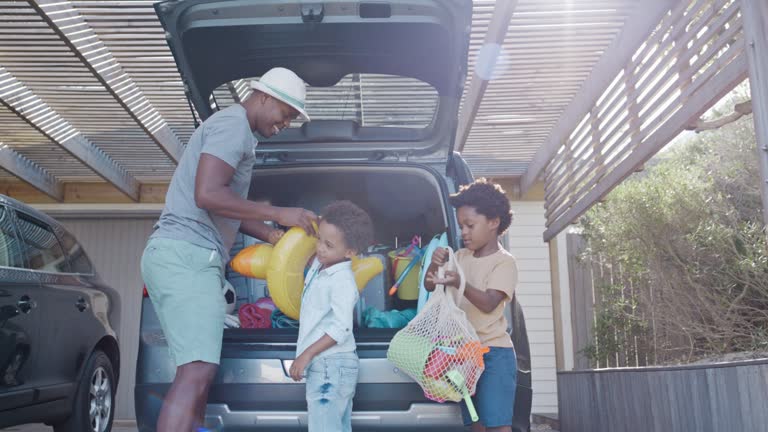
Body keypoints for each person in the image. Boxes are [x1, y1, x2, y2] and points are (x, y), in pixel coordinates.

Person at [140, 67, 318, 432]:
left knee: (199, 374)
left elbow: (227, 204)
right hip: (186, 256)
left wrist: (272, 236)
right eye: (286, 113)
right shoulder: (233, 126)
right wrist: (278, 212)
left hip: (185, 257)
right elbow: (207, 195)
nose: (286, 123)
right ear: (265, 96)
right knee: (196, 372)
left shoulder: (236, 129)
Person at [425, 178, 518, 432]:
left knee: (498, 426)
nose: (463, 232)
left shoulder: (504, 262)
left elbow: (489, 303)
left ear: (493, 222)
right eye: (460, 226)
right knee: (477, 425)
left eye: (470, 225)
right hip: (464, 356)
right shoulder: (460, 257)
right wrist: (434, 265)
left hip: (493, 355)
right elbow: (430, 286)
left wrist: (459, 282)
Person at [288, 200, 374, 432]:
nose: (320, 248)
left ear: (350, 252)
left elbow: (341, 327)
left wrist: (306, 355)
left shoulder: (342, 281)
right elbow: (308, 258)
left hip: (331, 365)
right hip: (328, 364)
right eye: (319, 240)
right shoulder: (321, 265)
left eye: (328, 245)